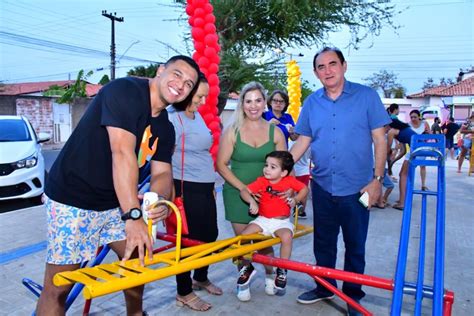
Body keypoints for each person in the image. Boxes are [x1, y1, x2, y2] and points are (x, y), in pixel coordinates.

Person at [36, 55, 200, 316]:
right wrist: (133, 215)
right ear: (160, 70)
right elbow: (122, 153)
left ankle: (135, 314)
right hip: (73, 199)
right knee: (58, 288)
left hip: (116, 202)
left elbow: (163, 173)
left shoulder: (165, 128)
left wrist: (157, 200)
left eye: (189, 83)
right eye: (177, 74)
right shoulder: (125, 91)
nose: (181, 85)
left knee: (137, 264)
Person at [289, 47, 390, 316]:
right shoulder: (312, 102)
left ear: (344, 65)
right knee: (323, 242)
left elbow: (381, 139)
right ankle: (324, 286)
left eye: (332, 64)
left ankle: (353, 296)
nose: (328, 71)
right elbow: (303, 141)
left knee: (355, 246)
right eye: (321, 67)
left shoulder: (366, 96)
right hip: (321, 186)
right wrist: (281, 168)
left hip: (358, 187)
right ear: (315, 73)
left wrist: (377, 179)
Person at [216, 81, 286, 302]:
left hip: (268, 196)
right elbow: (221, 164)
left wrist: (288, 194)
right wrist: (243, 188)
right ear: (242, 104)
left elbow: (286, 168)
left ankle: (269, 274)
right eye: (248, 101)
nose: (253, 106)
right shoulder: (232, 130)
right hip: (237, 194)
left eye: (258, 100)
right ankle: (243, 279)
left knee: (264, 242)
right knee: (243, 242)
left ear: (265, 102)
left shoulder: (276, 132)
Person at [167, 75, 222, 311]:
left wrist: (210, 186)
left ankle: (200, 277)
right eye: (199, 96)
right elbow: (161, 159)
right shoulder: (171, 118)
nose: (202, 101)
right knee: (187, 241)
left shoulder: (195, 115)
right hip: (183, 186)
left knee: (210, 235)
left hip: (204, 186)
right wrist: (169, 192)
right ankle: (184, 291)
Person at [240, 151, 308, 291]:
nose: (266, 169)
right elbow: (244, 191)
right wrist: (252, 202)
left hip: (281, 222)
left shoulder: (289, 181)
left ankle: (282, 269)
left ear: (283, 172)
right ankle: (247, 266)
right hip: (263, 220)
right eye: (266, 165)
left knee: (287, 236)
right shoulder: (261, 181)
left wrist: (295, 200)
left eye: (272, 167)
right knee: (243, 236)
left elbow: (304, 189)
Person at [289, 140, 311, 218]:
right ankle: (301, 212)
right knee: (303, 191)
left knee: (292, 190)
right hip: (304, 171)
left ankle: (295, 206)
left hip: (294, 170)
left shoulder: (291, 144)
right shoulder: (308, 144)